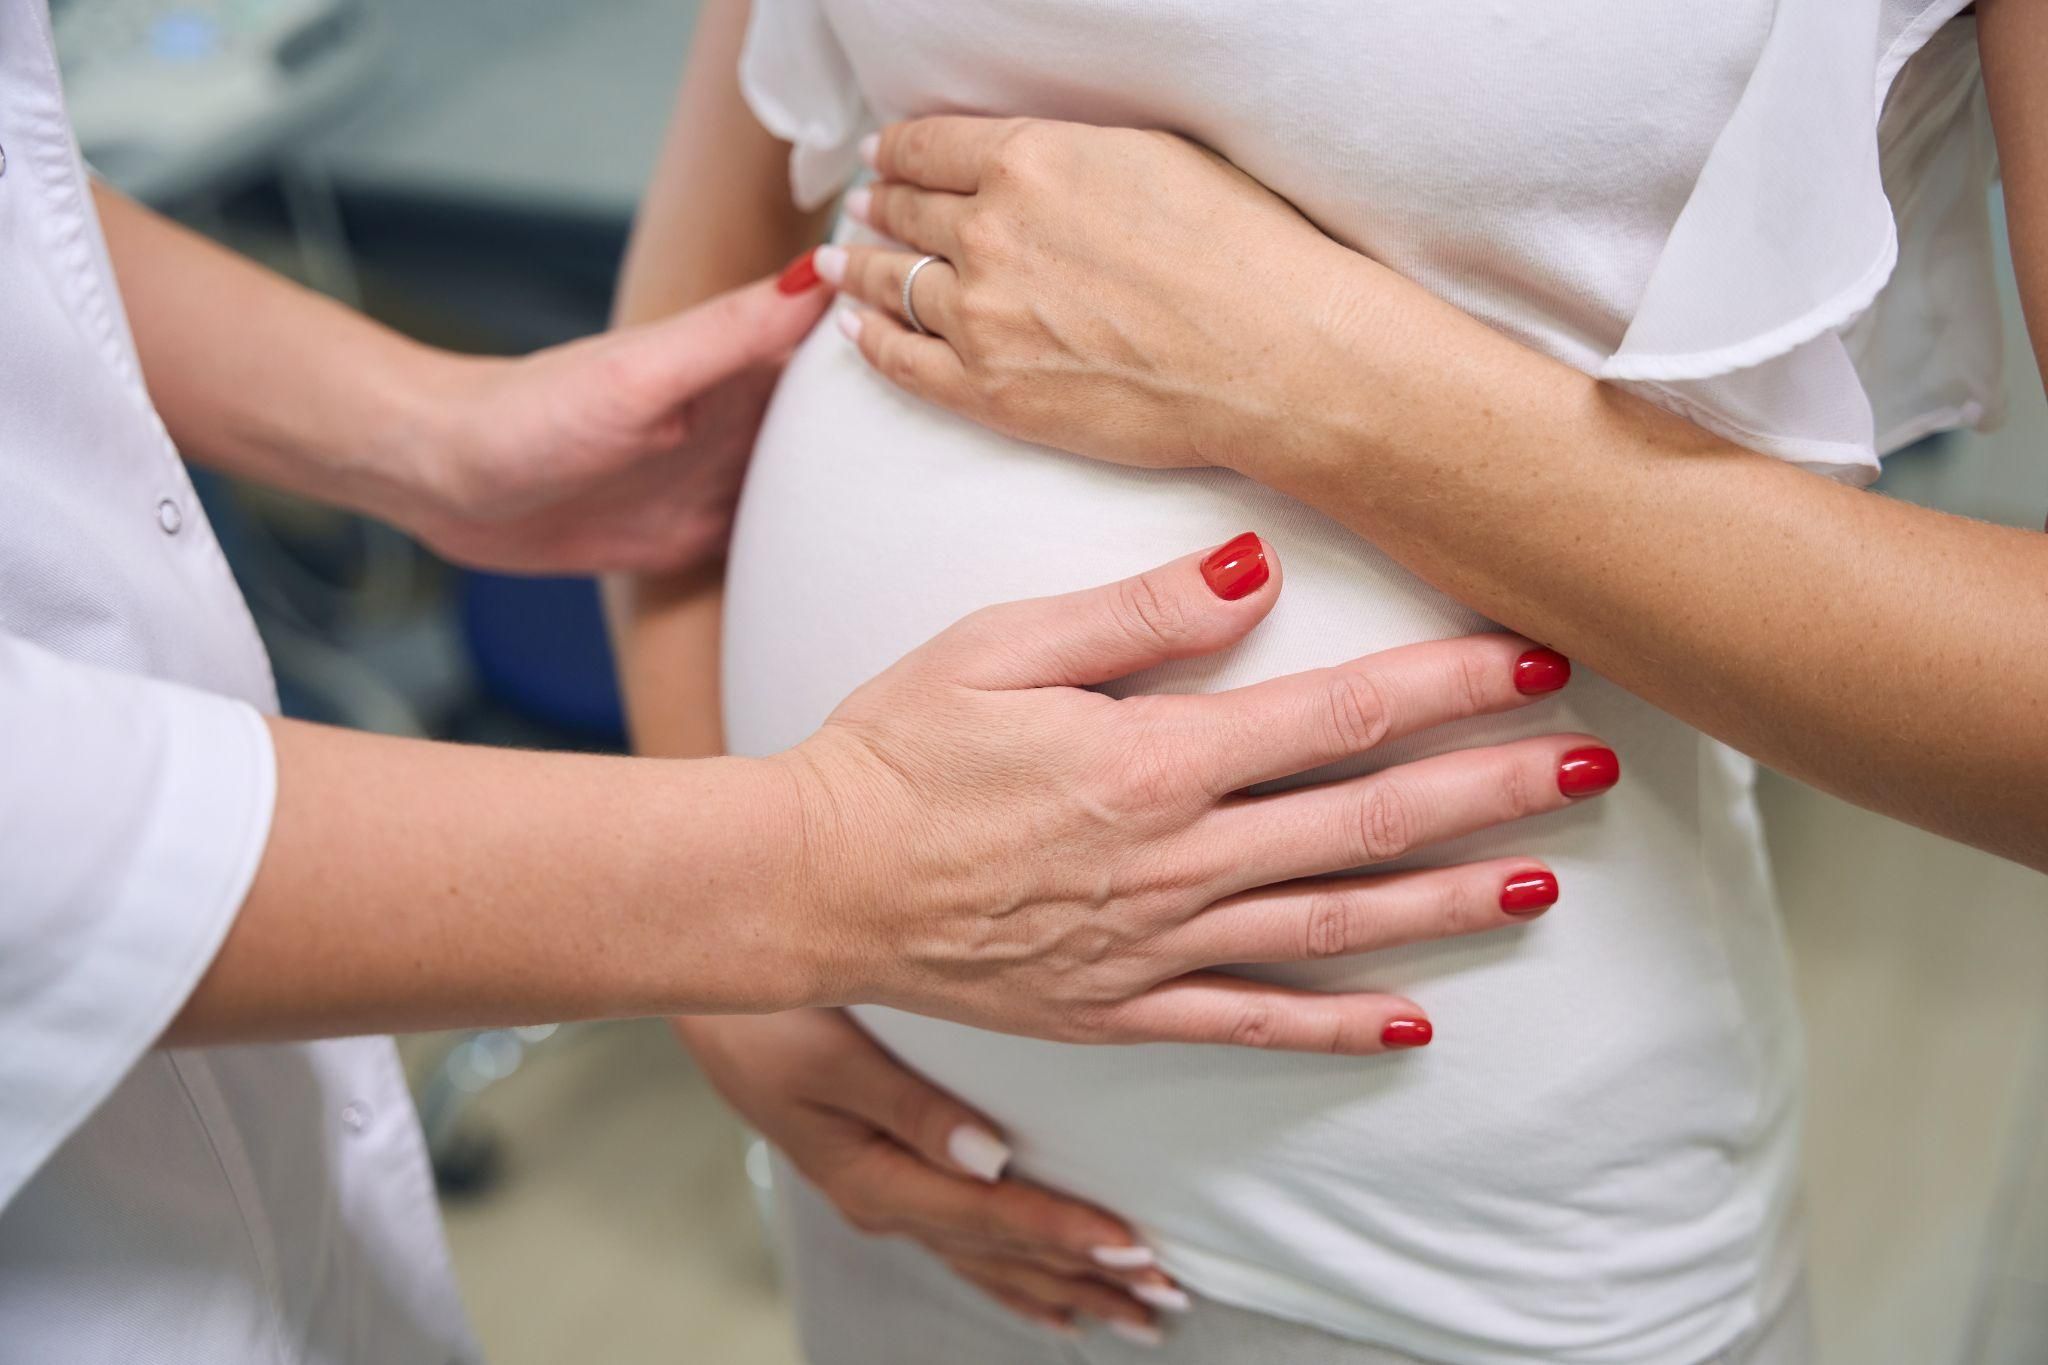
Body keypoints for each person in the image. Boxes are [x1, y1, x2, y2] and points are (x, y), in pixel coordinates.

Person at [0, 1, 1616, 1360]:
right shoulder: (799, 918)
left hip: (1441, 1190)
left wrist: (418, 432)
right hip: (879, 1087)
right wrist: (787, 900)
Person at [608, 2, 2020, 1361]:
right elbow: (686, 339)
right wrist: (727, 956)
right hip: (896, 1154)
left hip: (1444, 1272)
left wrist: (1306, 377)